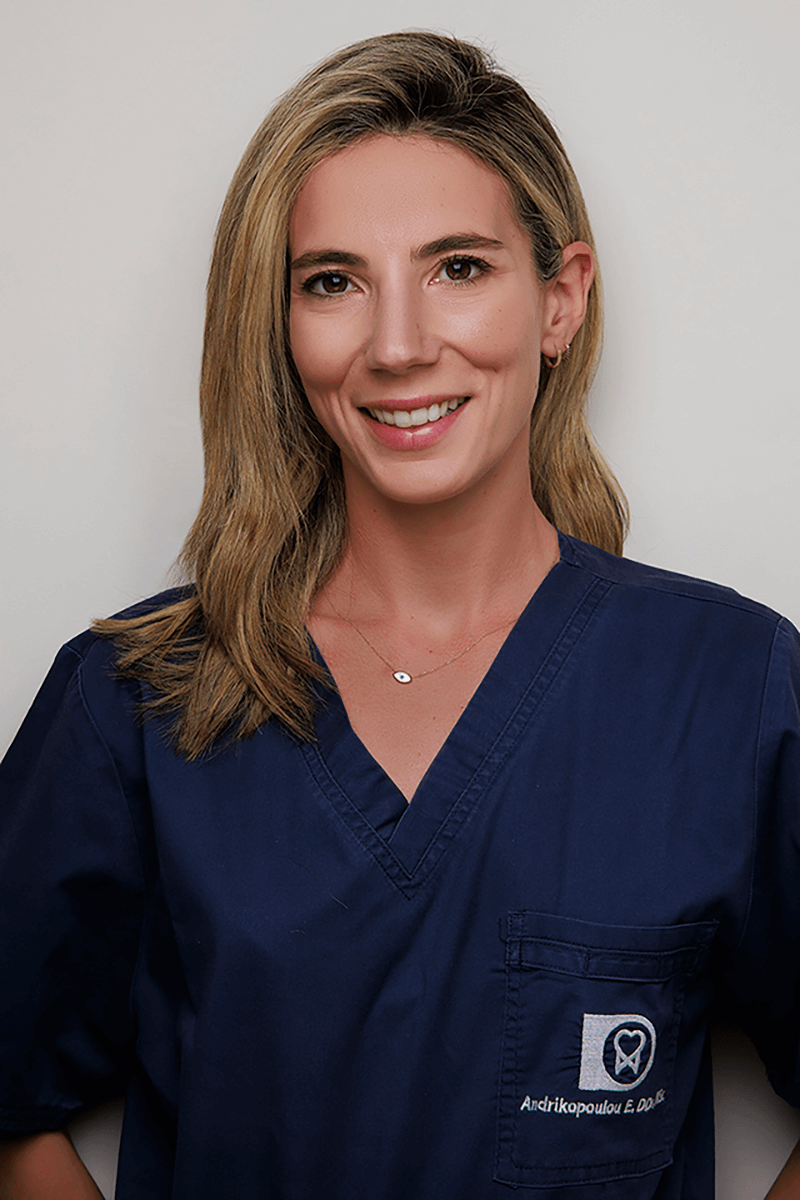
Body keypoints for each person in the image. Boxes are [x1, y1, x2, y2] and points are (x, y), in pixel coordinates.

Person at [0, 30, 798, 1200]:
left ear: (559, 300)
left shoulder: (728, 690)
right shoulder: (135, 699)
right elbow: (15, 1106)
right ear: (279, 325)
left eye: (457, 268)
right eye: (332, 281)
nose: (396, 344)